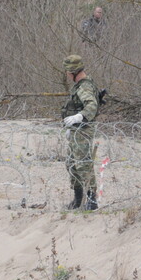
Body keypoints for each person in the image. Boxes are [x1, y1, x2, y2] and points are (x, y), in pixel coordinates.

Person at [61, 54, 100, 211]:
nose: (66, 74)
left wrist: (79, 116)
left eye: (67, 71)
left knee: (83, 164)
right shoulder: (80, 85)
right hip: (76, 130)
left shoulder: (84, 87)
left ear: (73, 72)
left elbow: (91, 105)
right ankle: (77, 199)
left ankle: (91, 199)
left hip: (83, 130)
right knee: (71, 164)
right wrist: (71, 128)